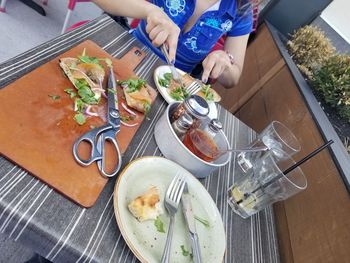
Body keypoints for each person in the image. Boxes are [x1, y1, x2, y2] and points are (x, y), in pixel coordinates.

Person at [92, 0, 253, 88]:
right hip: (126, 55)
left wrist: (225, 62)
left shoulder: (242, 10)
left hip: (170, 88)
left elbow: (233, 78)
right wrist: (150, 10)